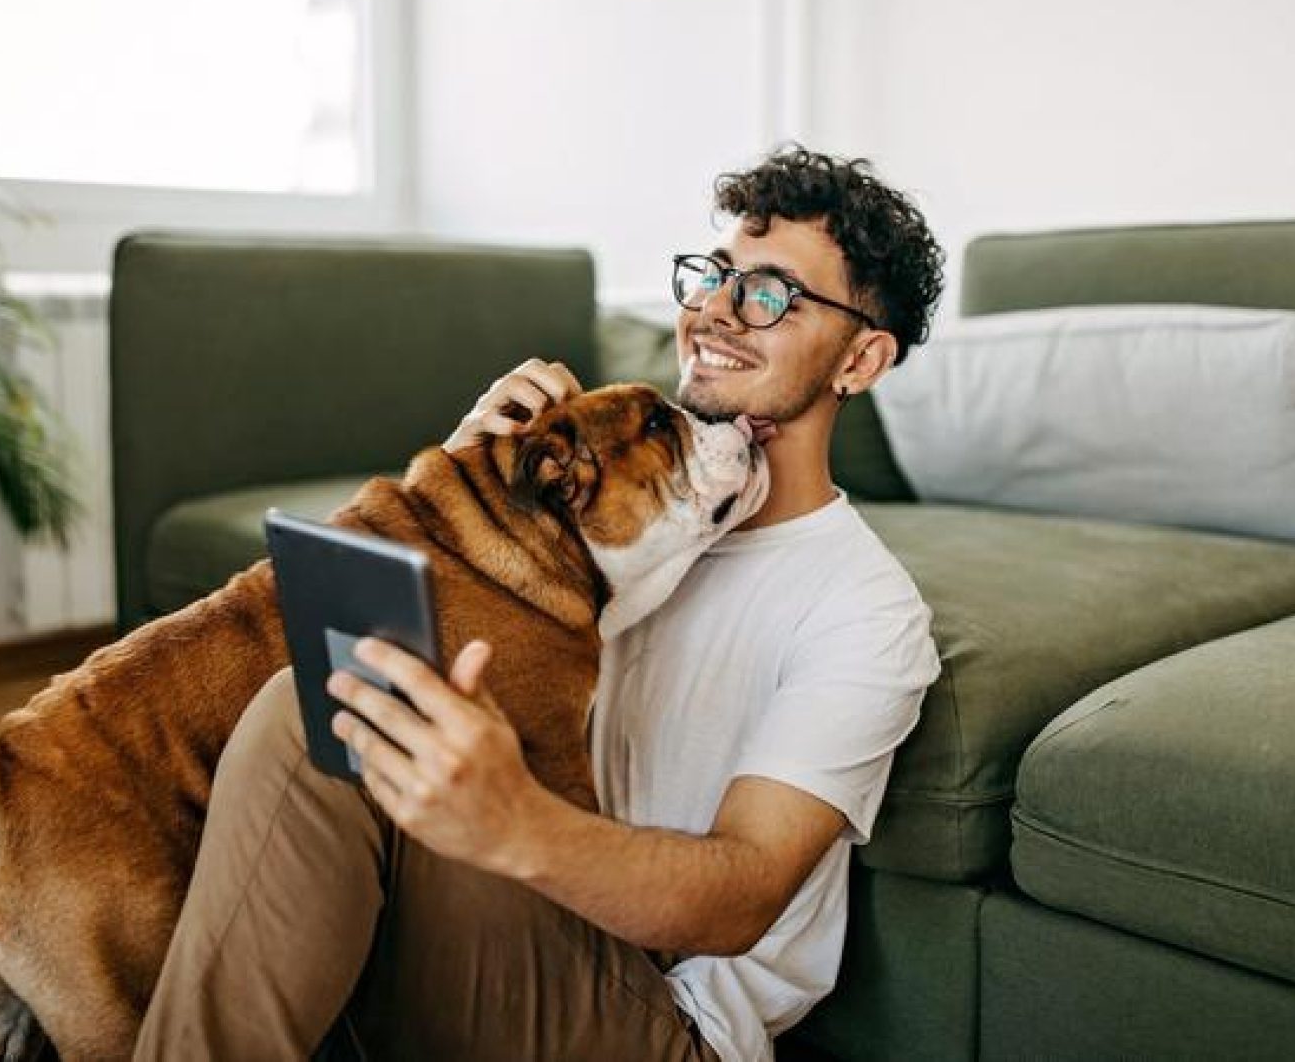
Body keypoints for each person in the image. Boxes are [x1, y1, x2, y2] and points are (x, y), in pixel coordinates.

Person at [127, 144, 946, 1062]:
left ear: (862, 357)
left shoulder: (863, 610)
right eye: (713, 276)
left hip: (663, 1021)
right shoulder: (620, 526)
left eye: (767, 292)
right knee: (332, 706)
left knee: (317, 718)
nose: (714, 310)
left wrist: (512, 822)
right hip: (507, 922)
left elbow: (742, 893)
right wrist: (474, 489)